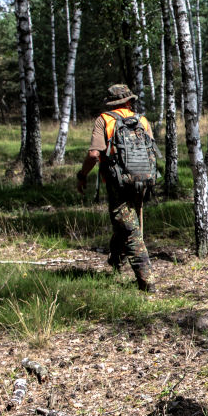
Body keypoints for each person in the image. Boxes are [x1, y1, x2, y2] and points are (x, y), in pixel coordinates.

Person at [76, 84, 157, 292]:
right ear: (129, 101)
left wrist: (82, 175)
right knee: (127, 222)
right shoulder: (143, 120)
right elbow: (152, 151)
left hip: (117, 183)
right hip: (142, 181)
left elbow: (94, 154)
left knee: (130, 230)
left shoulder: (104, 120)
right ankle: (116, 264)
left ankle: (147, 282)